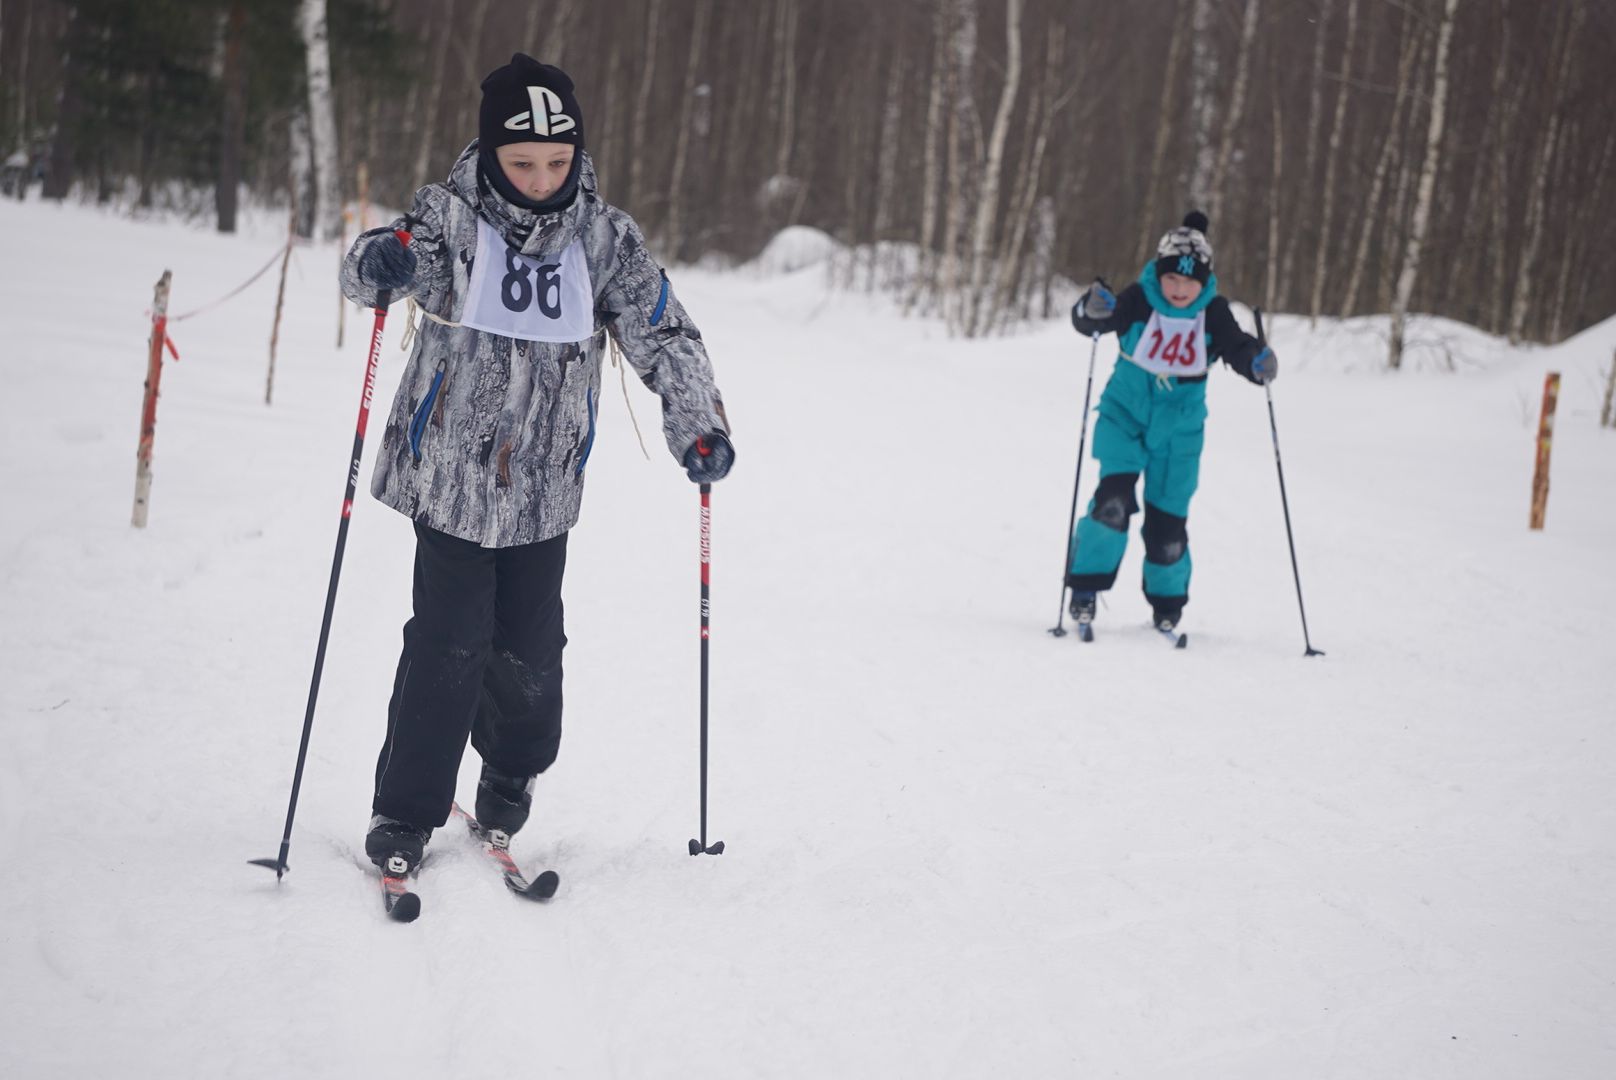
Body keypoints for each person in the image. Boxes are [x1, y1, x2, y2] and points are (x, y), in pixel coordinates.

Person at [338, 54, 734, 868]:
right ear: (490, 155)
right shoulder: (452, 221)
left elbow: (666, 332)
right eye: (523, 164)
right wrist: (380, 262)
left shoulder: (604, 241)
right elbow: (382, 261)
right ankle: (405, 811)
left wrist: (697, 422)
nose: (542, 178)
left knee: (531, 651)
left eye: (558, 163)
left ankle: (510, 774)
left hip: (546, 490)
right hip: (448, 477)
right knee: (448, 644)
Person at [1064, 210, 1274, 636]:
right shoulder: (1140, 299)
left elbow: (1235, 346)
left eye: (1190, 280)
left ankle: (1167, 605)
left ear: (1204, 279)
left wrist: (1256, 362)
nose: (1179, 289)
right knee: (1113, 504)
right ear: (1158, 275)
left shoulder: (1212, 313)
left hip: (1180, 434)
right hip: (1124, 418)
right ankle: (1085, 588)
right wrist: (1090, 308)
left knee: (1167, 526)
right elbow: (1096, 321)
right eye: (1172, 280)